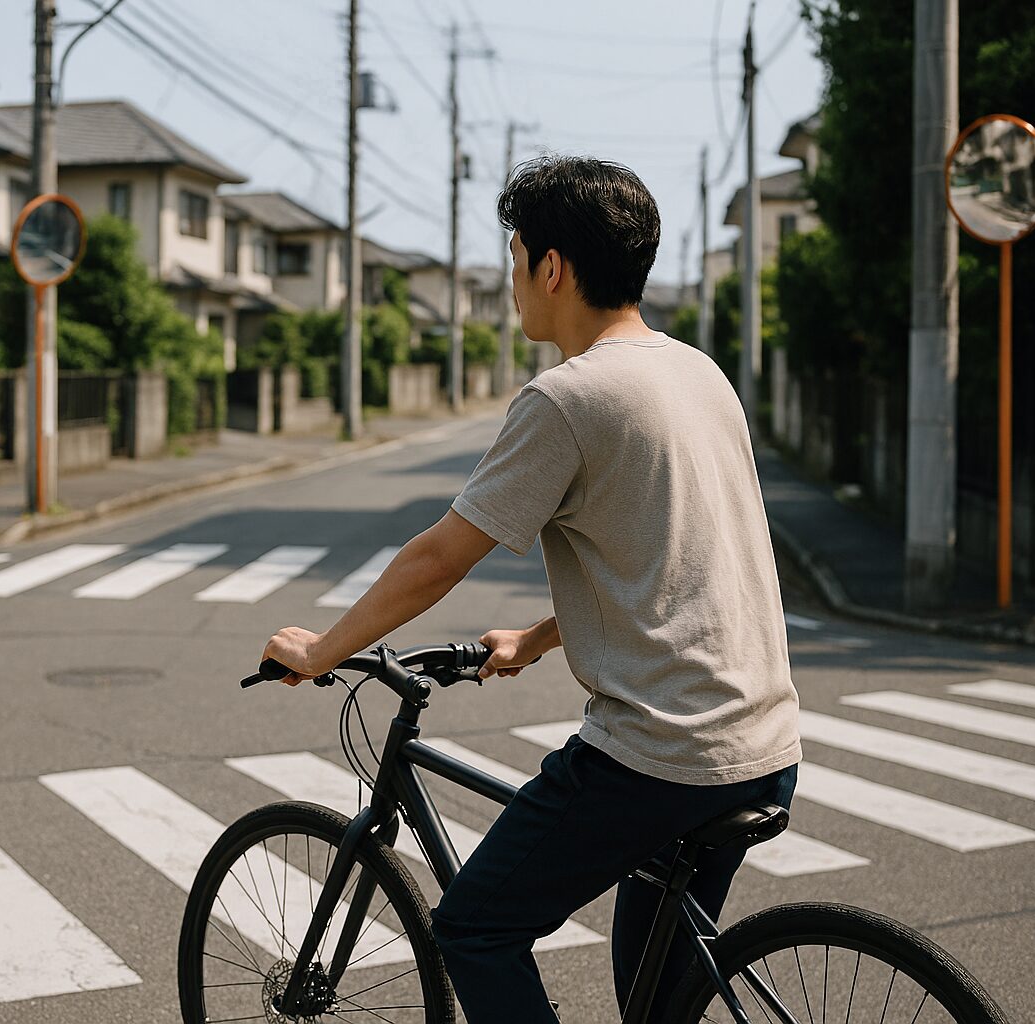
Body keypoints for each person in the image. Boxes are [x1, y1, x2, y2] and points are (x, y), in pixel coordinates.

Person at [260, 154, 801, 1022]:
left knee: (473, 929)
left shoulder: (567, 398)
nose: (513, 281)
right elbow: (675, 562)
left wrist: (320, 650)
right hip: (764, 746)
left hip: (660, 758)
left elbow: (439, 556)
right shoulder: (700, 373)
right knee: (659, 998)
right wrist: (539, 637)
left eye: (517, 258)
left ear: (551, 266)